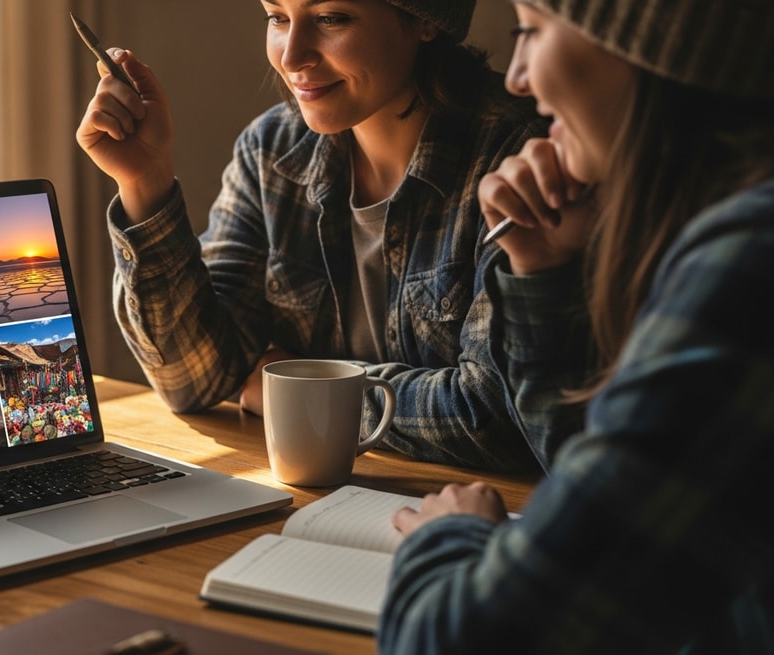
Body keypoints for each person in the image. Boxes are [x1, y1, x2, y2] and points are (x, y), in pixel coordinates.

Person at [380, 1, 774, 652]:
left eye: (531, 31)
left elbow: (456, 641)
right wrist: (540, 272)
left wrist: (445, 539)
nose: (516, 76)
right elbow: (617, 520)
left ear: (649, 44)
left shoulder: (749, 268)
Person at [76, 1, 556, 472]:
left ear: (425, 20)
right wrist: (146, 184)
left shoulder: (519, 157)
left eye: (331, 18)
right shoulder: (273, 151)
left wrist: (295, 384)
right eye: (277, 17)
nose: (291, 57)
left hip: (476, 514)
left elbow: (495, 417)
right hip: (326, 499)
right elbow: (195, 378)